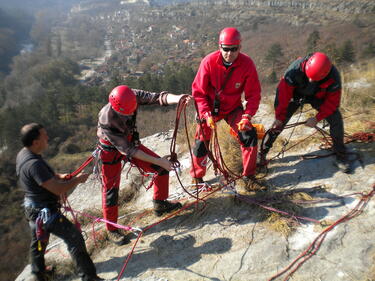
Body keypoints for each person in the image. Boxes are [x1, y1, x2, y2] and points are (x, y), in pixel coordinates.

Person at [97, 85, 187, 245]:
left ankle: (160, 204)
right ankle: (111, 229)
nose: (131, 114)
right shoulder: (107, 119)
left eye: (132, 110)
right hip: (110, 150)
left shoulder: (132, 96)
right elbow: (128, 151)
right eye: (127, 113)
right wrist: (160, 161)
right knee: (111, 190)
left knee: (160, 169)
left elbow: (158, 97)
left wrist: (177, 98)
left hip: (130, 141)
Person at [16, 123, 106, 281]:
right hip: (44, 211)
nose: (48, 137)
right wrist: (77, 180)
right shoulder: (34, 164)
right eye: (44, 135)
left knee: (38, 241)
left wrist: (57, 176)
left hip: (32, 208)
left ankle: (39, 273)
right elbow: (57, 189)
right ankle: (88, 277)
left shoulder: (24, 154)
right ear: (35, 142)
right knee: (74, 237)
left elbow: (40, 178)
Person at [190, 27, 261, 187]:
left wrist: (247, 116)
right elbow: (198, 92)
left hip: (232, 108)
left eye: (234, 49)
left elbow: (253, 95)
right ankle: (197, 177)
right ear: (219, 47)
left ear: (240, 48)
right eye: (226, 49)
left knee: (249, 135)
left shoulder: (247, 64)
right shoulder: (208, 62)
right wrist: (206, 114)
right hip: (209, 109)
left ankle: (248, 176)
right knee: (201, 141)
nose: (229, 53)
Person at [260, 52, 351, 173]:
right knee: (278, 124)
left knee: (336, 119)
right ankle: (262, 153)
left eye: (314, 79)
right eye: (309, 77)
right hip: (296, 94)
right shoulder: (294, 71)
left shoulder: (333, 77)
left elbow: (332, 104)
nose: (310, 80)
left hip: (317, 96)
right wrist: (279, 117)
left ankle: (341, 155)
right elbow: (282, 95)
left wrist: (317, 118)